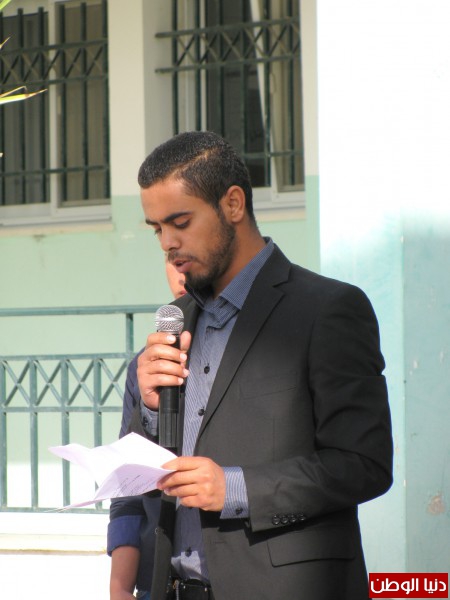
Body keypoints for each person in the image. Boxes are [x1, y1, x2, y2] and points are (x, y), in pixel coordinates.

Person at [117, 131, 393, 600]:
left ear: (233, 204)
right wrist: (149, 409)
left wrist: (235, 488)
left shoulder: (327, 310)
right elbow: (145, 480)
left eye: (180, 222)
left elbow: (364, 464)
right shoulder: (175, 321)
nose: (167, 242)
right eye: (156, 228)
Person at [108, 259, 186, 600]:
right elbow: (128, 487)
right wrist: (121, 588)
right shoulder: (145, 365)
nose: (181, 272)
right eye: (171, 257)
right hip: (156, 580)